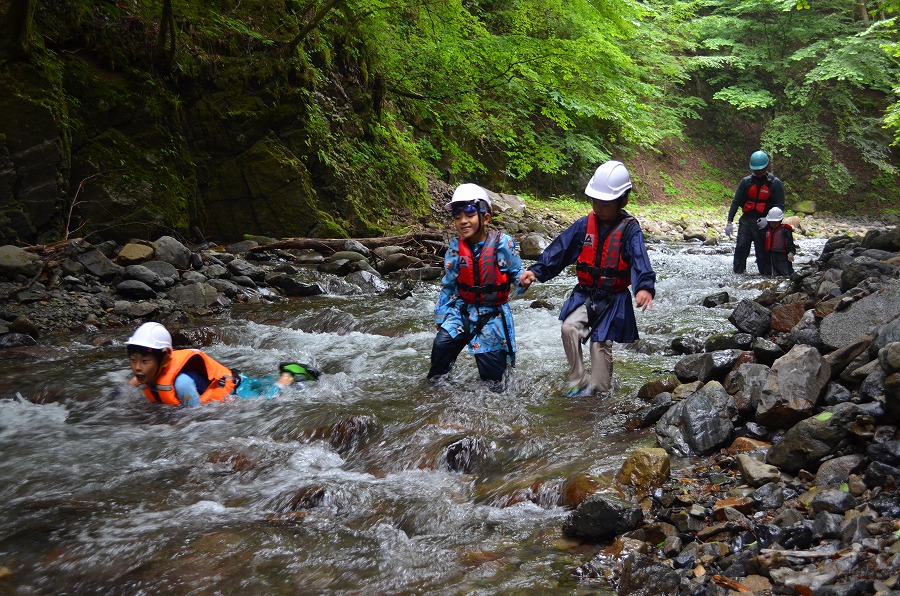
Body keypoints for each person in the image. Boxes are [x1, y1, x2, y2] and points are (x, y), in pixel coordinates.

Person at [517, 160, 656, 397]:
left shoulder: (630, 230)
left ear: (623, 201)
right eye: (594, 201)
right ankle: (578, 380)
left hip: (613, 300)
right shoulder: (584, 226)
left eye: (605, 203)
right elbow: (560, 250)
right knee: (569, 328)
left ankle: (599, 399)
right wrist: (537, 271)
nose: (598, 207)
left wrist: (644, 287)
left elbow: (639, 259)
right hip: (586, 294)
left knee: (599, 356)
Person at [427, 183, 524, 391]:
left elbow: (516, 275)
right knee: (441, 346)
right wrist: (440, 314)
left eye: (469, 215)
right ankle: (435, 397)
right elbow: (449, 284)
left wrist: (524, 281)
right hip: (462, 310)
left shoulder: (503, 244)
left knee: (493, 383)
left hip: (492, 315)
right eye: (457, 216)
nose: (463, 221)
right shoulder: (455, 248)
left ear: (485, 218)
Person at [126, 322, 319, 407]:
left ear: (165, 358)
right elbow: (129, 386)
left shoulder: (181, 384)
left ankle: (288, 375)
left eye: (144, 361)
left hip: (236, 390)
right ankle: (281, 375)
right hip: (234, 379)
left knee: (269, 398)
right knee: (259, 382)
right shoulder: (145, 373)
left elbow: (194, 415)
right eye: (133, 360)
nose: (137, 367)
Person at [725, 150, 785, 275]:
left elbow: (780, 206)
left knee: (762, 253)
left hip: (763, 224)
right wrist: (729, 221)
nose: (757, 172)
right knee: (741, 248)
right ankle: (738, 274)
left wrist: (768, 220)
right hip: (746, 221)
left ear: (765, 167)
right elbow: (736, 202)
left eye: (760, 170)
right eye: (755, 170)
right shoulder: (746, 182)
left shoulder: (775, 184)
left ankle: (763, 278)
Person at [762, 206, 796, 277]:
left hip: (782, 257)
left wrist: (791, 252)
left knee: (786, 275)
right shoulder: (766, 230)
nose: (774, 224)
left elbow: (790, 243)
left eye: (776, 222)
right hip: (770, 256)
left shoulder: (786, 230)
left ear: (780, 220)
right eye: (772, 222)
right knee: (770, 274)